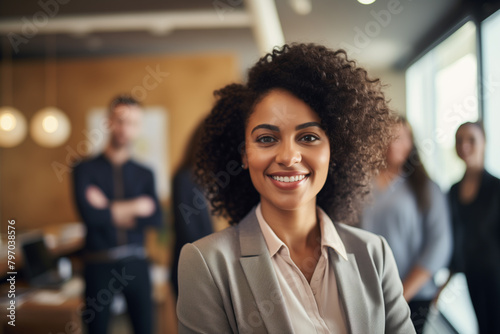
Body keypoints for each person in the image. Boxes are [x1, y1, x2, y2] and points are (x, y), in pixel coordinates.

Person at [176, 43, 415, 333]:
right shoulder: (207, 264)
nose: (288, 157)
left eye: (309, 137)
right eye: (266, 139)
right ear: (243, 153)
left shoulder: (374, 254)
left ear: (334, 148)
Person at [73, 95, 163, 334]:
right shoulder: (84, 169)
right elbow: (90, 217)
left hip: (136, 261)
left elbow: (155, 218)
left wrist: (107, 207)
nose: (125, 128)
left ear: (139, 127)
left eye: (132, 123)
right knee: (97, 330)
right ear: (109, 122)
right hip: (98, 263)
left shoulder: (145, 173)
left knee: (145, 329)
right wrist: (136, 206)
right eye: (120, 120)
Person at [359, 117, 452, 333]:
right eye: (388, 137)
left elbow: (439, 245)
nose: (393, 144)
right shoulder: (361, 184)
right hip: (369, 294)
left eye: (400, 138)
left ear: (411, 143)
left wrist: (400, 294)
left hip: (412, 295)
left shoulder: (427, 189)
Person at [448, 121, 500, 334]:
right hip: (472, 272)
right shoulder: (453, 190)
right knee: (482, 327)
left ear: (484, 143)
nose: (464, 146)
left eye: (471, 139)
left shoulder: (497, 187)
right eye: (459, 140)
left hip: (497, 273)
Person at [171, 121, 213, 297]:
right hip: (190, 270)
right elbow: (189, 231)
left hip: (201, 267)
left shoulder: (202, 180)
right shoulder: (184, 178)